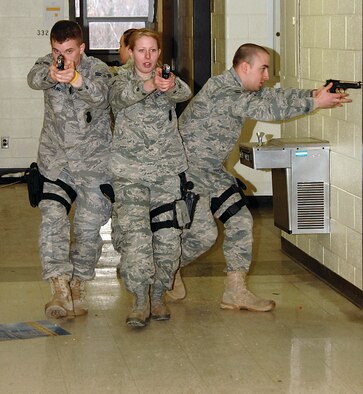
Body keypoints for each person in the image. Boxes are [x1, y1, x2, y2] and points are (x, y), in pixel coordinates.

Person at [169, 43, 351, 312]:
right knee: (204, 235)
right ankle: (163, 269)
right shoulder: (225, 92)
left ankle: (235, 291)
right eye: (263, 69)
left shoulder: (239, 89)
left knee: (241, 220)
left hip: (212, 171)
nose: (267, 76)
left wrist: (312, 94)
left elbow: (271, 99)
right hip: (189, 172)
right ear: (245, 67)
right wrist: (314, 103)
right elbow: (267, 111)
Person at [27, 20, 113, 319]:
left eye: (69, 50)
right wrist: (52, 73)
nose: (63, 57)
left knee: (88, 230)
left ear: (82, 48)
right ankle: (60, 289)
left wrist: (76, 78)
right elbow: (34, 78)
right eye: (56, 50)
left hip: (93, 165)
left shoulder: (99, 68)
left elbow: (103, 95)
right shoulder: (47, 65)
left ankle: (77, 284)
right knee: (53, 220)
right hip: (56, 163)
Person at [109, 28, 192, 328]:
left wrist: (166, 85)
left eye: (152, 51)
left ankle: (159, 295)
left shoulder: (167, 77)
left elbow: (185, 93)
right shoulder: (119, 79)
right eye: (141, 50)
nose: (147, 57)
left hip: (166, 174)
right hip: (129, 174)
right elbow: (117, 99)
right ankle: (140, 299)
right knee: (137, 240)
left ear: (159, 53)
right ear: (130, 53)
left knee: (169, 240)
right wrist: (147, 87)